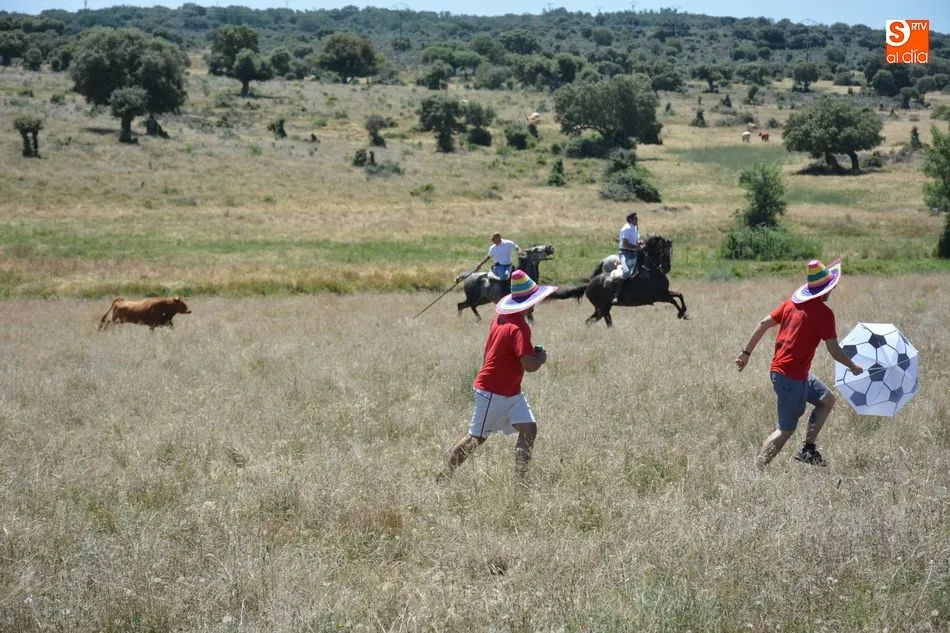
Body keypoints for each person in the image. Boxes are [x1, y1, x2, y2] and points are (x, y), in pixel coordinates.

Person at [735, 258, 863, 469]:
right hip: (790, 377)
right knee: (785, 430)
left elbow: (763, 323)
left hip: (792, 373)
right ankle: (755, 471)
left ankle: (808, 450)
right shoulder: (824, 314)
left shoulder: (791, 304)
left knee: (827, 400)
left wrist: (746, 353)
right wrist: (853, 366)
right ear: (826, 289)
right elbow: (833, 350)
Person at [439, 270, 558, 480]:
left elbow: (492, 352)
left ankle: (520, 481)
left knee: (529, 429)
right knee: (476, 438)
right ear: (530, 302)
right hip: (494, 391)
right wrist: (540, 358)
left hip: (510, 390)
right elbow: (529, 365)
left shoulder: (501, 319)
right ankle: (443, 477)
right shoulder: (520, 326)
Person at [618, 212, 643, 280]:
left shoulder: (634, 228)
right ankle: (619, 290)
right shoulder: (627, 228)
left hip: (634, 254)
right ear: (630, 219)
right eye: (635, 218)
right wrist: (636, 247)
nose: (637, 220)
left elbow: (635, 240)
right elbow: (625, 244)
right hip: (626, 254)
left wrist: (640, 242)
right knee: (626, 272)